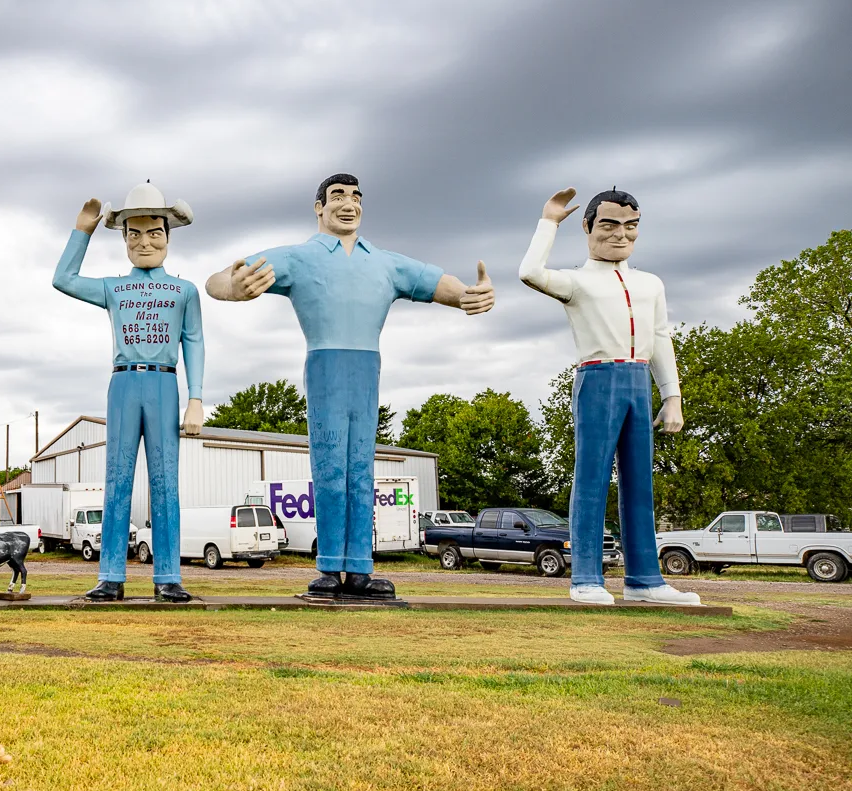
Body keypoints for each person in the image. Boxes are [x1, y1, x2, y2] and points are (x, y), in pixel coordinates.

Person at [206, 173, 494, 599]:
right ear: (319, 207)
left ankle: (359, 568)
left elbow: (434, 283)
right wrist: (233, 287)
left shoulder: (383, 261)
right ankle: (329, 569)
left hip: (367, 368)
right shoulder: (299, 257)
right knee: (328, 469)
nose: (349, 203)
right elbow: (219, 280)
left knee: (361, 469)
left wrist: (468, 294)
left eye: (356, 197)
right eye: (337, 195)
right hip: (324, 365)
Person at [519, 187, 701, 606]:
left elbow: (660, 336)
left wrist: (672, 395)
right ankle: (585, 576)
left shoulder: (650, 283)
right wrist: (548, 221)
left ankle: (644, 579)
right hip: (597, 378)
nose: (621, 235)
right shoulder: (578, 281)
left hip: (639, 379)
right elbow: (530, 272)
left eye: (631, 227)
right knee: (592, 479)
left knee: (640, 483)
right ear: (588, 227)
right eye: (609, 225)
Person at [52, 182, 204, 602]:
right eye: (133, 234)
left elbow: (194, 343)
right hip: (123, 383)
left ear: (168, 236)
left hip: (164, 381)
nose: (144, 242)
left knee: (165, 483)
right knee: (116, 480)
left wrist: (196, 398)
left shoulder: (184, 290)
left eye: (154, 232)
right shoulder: (114, 288)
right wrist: (82, 230)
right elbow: (62, 279)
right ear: (123, 239)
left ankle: (169, 576)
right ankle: (110, 575)